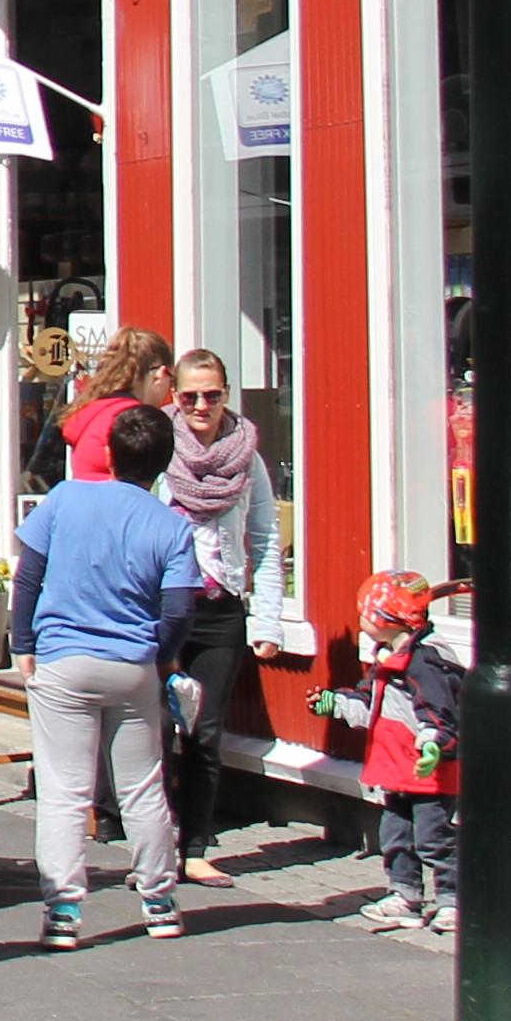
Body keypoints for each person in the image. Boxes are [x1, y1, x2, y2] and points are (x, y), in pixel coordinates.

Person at [14, 399, 203, 947]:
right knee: (142, 788)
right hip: (131, 665)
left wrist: (23, 642)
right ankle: (159, 901)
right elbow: (178, 609)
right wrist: (162, 655)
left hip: (62, 660)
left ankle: (64, 912)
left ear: (110, 455)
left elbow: (28, 577)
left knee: (64, 790)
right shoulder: (171, 526)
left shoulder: (63, 499)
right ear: (163, 464)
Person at [159, 348, 280, 883]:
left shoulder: (245, 455)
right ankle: (156, 842)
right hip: (164, 605)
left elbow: (267, 538)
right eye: (190, 396)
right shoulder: (159, 448)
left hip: (221, 606)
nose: (201, 405)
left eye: (212, 394)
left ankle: (196, 846)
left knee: (204, 733)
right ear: (175, 397)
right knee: (157, 727)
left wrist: (269, 621)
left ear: (227, 393)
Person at [333, 570, 462, 937]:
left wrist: (434, 742)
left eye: (364, 612)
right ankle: (405, 895)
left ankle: (452, 900)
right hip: (396, 768)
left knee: (434, 838)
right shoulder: (388, 656)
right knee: (396, 835)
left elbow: (439, 711)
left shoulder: (424, 663)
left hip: (428, 771)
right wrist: (337, 703)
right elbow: (370, 703)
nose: (360, 619)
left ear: (384, 617)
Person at [57, 328, 174, 482]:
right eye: (171, 378)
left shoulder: (92, 413)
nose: (171, 389)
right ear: (160, 374)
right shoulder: (133, 420)